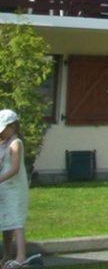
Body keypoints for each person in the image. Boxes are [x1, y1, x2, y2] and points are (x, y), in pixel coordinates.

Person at [0, 110, 34, 268]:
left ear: (13, 126)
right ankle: (6, 256)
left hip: (15, 188)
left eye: (3, 129)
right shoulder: (4, 142)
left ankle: (21, 257)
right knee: (5, 222)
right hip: (4, 188)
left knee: (16, 222)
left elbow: (14, 168)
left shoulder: (16, 143)